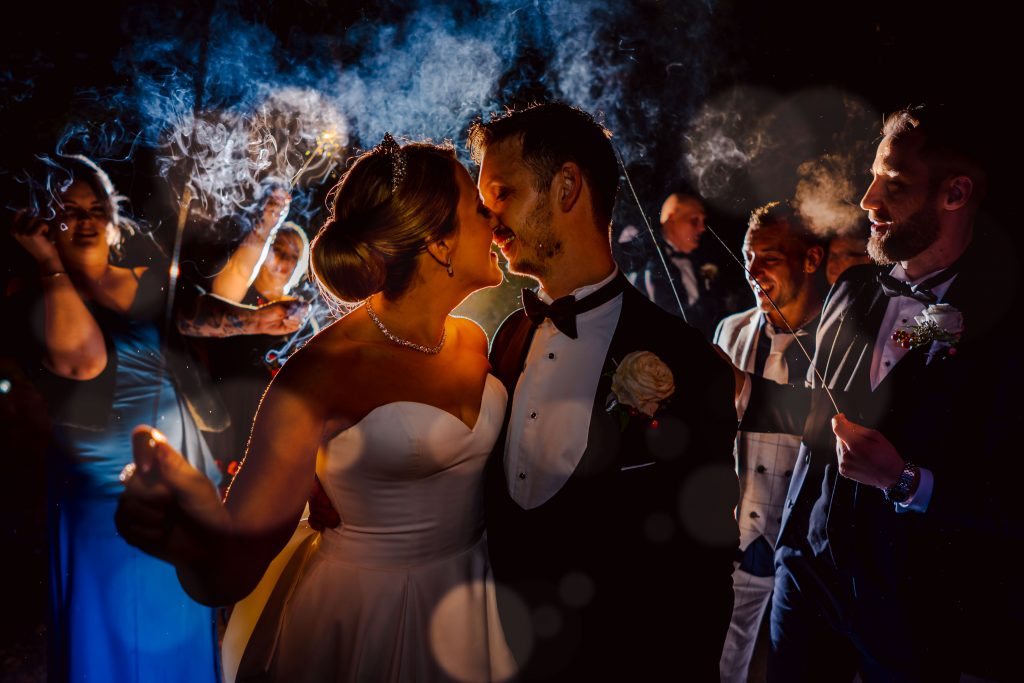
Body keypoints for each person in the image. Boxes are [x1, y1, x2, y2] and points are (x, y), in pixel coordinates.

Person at [116, 137, 518, 683]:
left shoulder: (474, 340)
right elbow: (229, 571)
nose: (493, 217)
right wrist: (187, 536)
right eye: (477, 205)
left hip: (474, 598)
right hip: (364, 618)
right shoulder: (319, 374)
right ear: (439, 243)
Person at [736, 105, 1021, 681]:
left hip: (914, 609)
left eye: (893, 182)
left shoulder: (1007, 324)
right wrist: (742, 394)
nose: (867, 199)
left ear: (955, 193)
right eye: (871, 177)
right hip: (804, 576)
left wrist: (905, 481)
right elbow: (823, 415)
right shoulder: (853, 288)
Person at [468, 102, 739, 681]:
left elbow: (701, 576)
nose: (490, 222)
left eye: (502, 195)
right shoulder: (507, 336)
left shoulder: (684, 363)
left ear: (567, 187)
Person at [6, 155, 224, 683]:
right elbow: (83, 360)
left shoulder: (147, 278)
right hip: (98, 495)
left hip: (171, 482)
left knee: (173, 621)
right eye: (68, 211)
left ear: (113, 217)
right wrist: (50, 266)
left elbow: (210, 313)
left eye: (95, 208)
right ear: (43, 221)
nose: (84, 221)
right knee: (109, 639)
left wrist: (260, 317)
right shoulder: (33, 296)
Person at [713, 201, 826, 683]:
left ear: (810, 260)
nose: (752, 271)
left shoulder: (836, 338)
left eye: (769, 258)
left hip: (803, 553)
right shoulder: (730, 330)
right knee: (720, 665)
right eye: (746, 256)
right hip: (737, 543)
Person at [205, 221, 314, 482]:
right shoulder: (237, 299)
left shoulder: (301, 320)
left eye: (293, 256)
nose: (284, 262)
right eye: (278, 250)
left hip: (276, 437)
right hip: (226, 424)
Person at [627, 186, 742, 339]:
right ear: (672, 219)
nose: (702, 228)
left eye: (703, 221)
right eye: (694, 221)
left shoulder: (703, 258)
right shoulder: (644, 261)